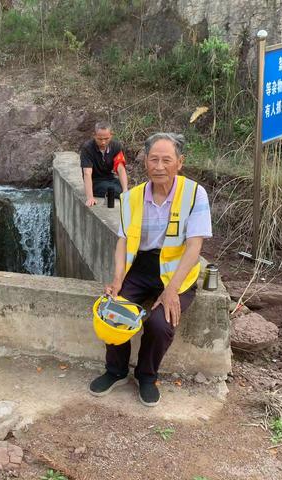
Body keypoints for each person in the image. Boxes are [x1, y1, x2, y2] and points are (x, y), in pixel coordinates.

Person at [89, 133, 212, 406]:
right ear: (145, 162)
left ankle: (147, 375)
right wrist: (118, 278)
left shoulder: (194, 194)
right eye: (153, 159)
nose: (159, 166)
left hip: (178, 271)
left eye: (166, 160)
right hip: (140, 267)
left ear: (179, 162)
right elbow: (122, 241)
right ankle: (116, 371)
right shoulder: (132, 197)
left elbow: (194, 248)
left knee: (160, 322)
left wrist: (172, 290)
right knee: (113, 310)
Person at [80, 122, 128, 207]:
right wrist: (90, 197)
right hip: (95, 181)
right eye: (100, 139)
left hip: (110, 178)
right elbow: (87, 173)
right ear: (94, 135)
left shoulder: (116, 146)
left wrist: (125, 190)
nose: (103, 142)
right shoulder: (87, 148)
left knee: (128, 190)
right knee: (115, 191)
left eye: (106, 139)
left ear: (111, 135)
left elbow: (120, 168)